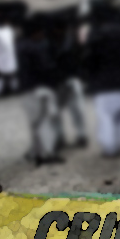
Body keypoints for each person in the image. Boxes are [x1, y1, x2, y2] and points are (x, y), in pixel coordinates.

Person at [83, 4, 120, 157]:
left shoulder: (95, 35)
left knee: (106, 118)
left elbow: (89, 61)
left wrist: (89, 81)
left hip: (104, 85)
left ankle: (110, 148)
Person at [16, 17, 64, 165]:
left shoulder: (20, 46)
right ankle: (46, 154)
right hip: (39, 88)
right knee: (44, 123)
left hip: (25, 89)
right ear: (35, 32)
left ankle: (36, 152)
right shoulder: (36, 47)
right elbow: (45, 68)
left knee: (34, 123)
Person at [53, 15, 88, 150]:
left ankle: (80, 135)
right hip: (61, 79)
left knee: (75, 109)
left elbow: (81, 60)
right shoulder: (68, 41)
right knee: (60, 110)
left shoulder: (72, 41)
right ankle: (61, 137)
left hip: (70, 78)